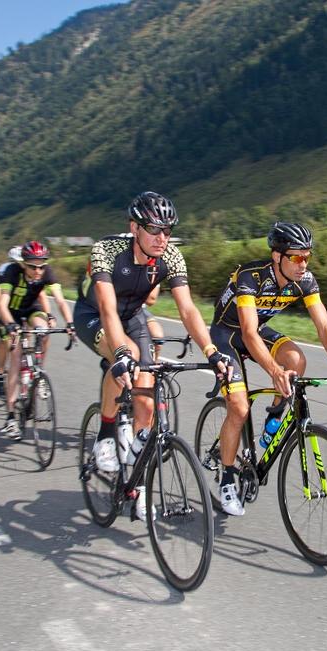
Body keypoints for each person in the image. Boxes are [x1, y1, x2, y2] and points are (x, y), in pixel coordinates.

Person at [209, 221, 327, 516]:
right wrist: (273, 372)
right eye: (296, 257)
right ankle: (228, 477)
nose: (303, 264)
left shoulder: (304, 280)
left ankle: (271, 426)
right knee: (239, 408)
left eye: (307, 256)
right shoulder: (249, 277)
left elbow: (323, 325)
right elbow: (248, 331)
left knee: (296, 361)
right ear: (277, 256)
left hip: (257, 331)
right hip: (226, 334)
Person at [74, 191, 231, 479]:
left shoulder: (170, 255)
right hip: (94, 315)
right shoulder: (106, 250)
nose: (162, 238)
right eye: (154, 229)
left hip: (132, 316)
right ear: (134, 228)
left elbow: (188, 310)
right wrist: (120, 351)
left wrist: (211, 350)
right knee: (127, 356)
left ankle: (135, 480)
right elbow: (108, 309)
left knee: (146, 399)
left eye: (167, 230)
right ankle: (105, 435)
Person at [0, 240, 75, 439]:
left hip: (31, 309)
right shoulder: (11, 272)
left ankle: (38, 370)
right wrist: (11, 325)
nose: (38, 271)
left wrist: (70, 323)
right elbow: (1, 305)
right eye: (32, 266)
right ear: (23, 264)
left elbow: (60, 300)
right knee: (15, 356)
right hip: (10, 313)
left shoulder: (46, 272)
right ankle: (11, 416)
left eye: (41, 266)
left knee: (44, 329)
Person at [0, 246, 22, 398]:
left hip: (21, 306)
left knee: (27, 337)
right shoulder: (5, 270)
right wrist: (0, 314)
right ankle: (1, 373)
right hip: (4, 307)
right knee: (6, 341)